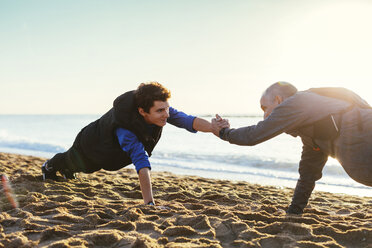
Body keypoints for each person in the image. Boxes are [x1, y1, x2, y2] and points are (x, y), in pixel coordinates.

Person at [212, 82, 372, 214]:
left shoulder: (298, 101)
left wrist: (223, 132)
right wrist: (294, 211)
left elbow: (254, 135)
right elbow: (308, 174)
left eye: (264, 107)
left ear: (278, 100)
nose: (264, 115)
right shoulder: (311, 135)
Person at [42, 82, 214, 205]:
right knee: (80, 163)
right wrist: (150, 204)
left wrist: (215, 128)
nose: (166, 114)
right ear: (142, 112)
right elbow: (141, 163)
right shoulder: (126, 130)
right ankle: (49, 166)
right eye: (160, 111)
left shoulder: (158, 110)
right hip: (91, 144)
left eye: (167, 108)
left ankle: (67, 170)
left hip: (110, 151)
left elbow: (187, 120)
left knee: (88, 168)